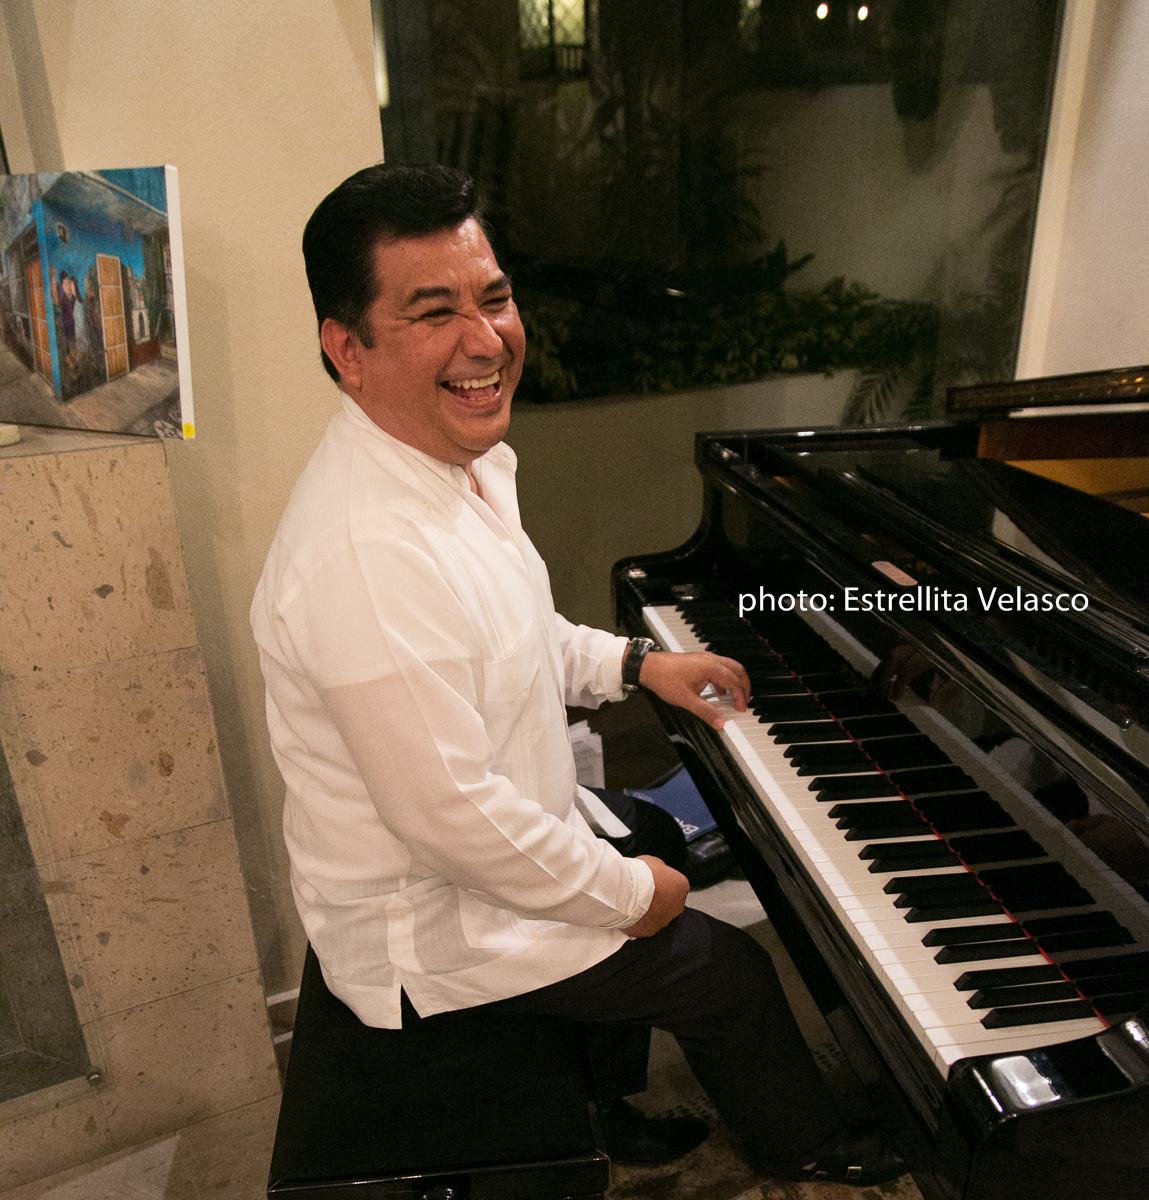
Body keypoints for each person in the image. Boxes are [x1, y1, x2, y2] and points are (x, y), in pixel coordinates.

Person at [251, 163, 903, 1186]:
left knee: (640, 827)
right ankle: (811, 1149)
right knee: (725, 971)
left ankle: (608, 1104)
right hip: (436, 923)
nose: (486, 340)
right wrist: (631, 897)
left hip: (486, 835)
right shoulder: (366, 556)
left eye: (495, 297)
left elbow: (520, 631)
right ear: (348, 349)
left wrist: (642, 665)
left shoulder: (446, 465)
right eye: (434, 312)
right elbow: (455, 821)